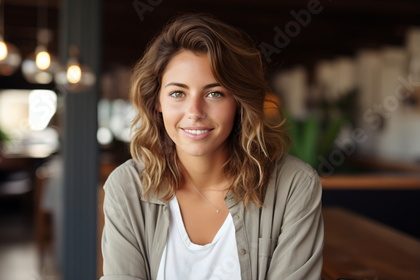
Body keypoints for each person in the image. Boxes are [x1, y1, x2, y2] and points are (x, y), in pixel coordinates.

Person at [101, 13, 323, 280]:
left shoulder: (293, 185)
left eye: (214, 93)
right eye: (177, 93)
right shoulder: (127, 186)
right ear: (156, 102)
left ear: (238, 102)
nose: (194, 112)